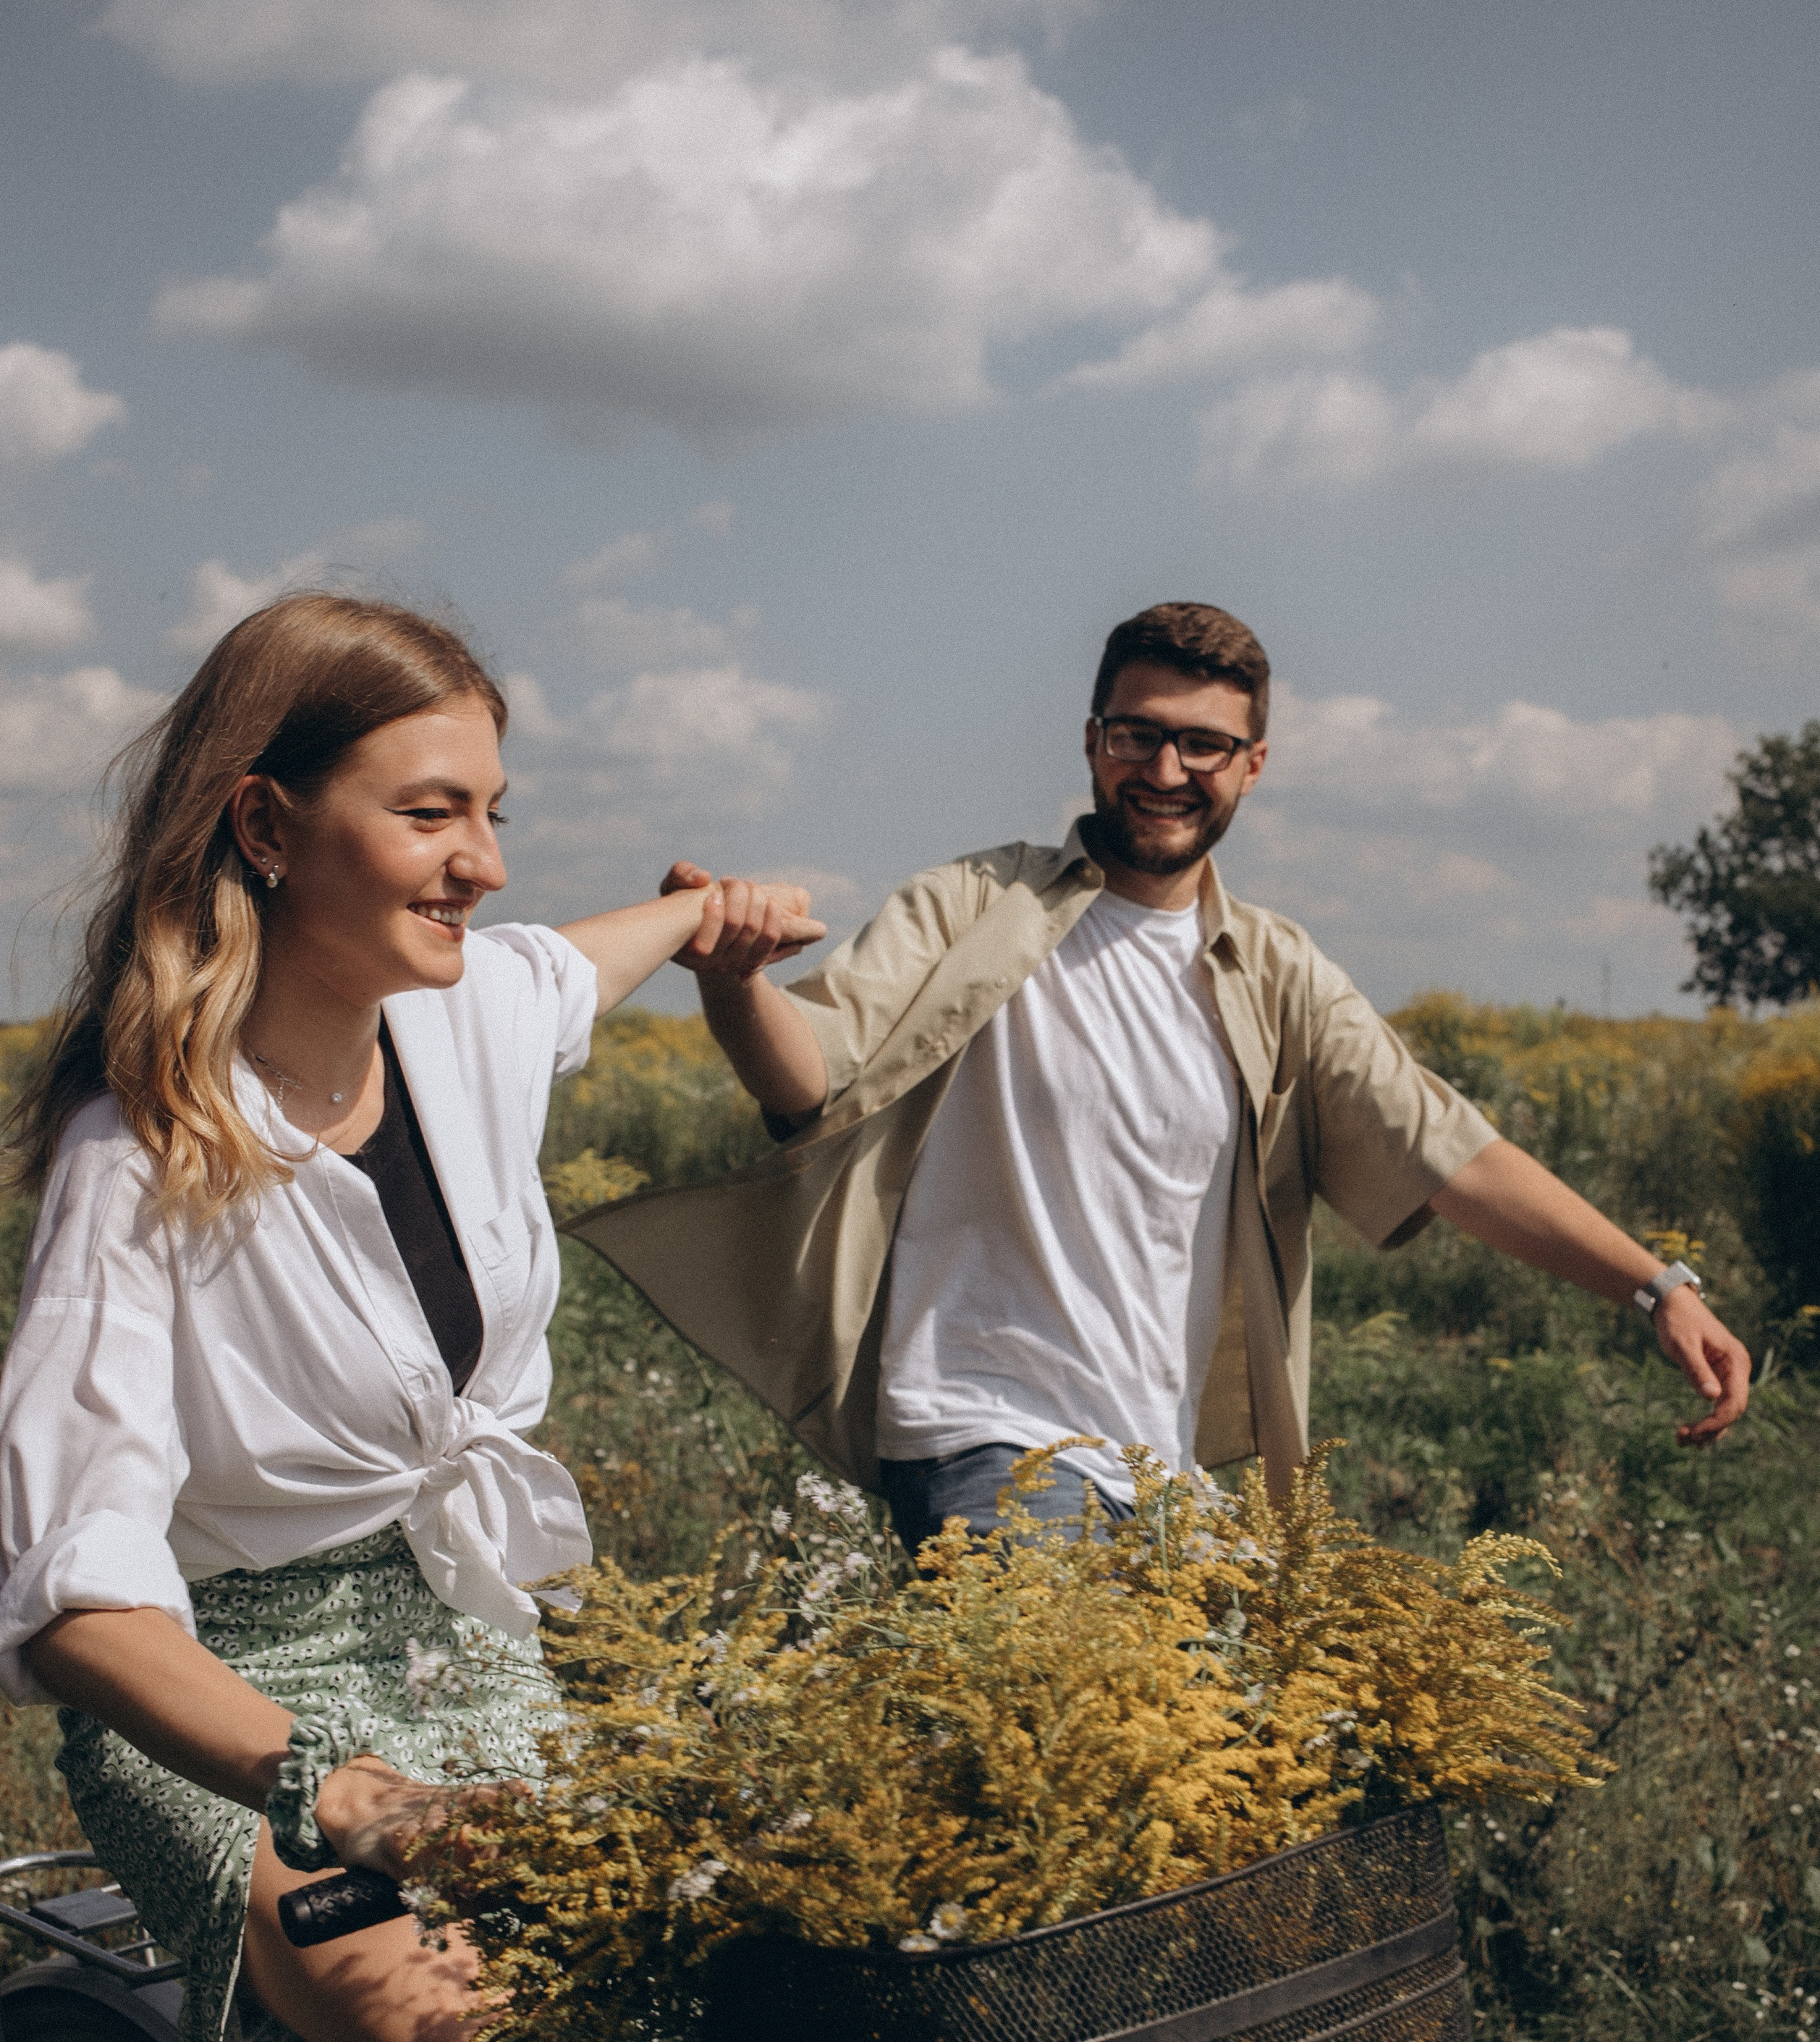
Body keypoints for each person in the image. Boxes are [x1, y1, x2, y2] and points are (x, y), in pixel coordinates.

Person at [0, 594, 821, 2042]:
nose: (488, 859)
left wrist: (707, 923)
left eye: (497, 806)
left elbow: (573, 960)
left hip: (475, 1648)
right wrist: (331, 1791)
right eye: (436, 811)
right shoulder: (146, 1157)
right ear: (268, 830)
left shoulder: (463, 1015)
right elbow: (75, 1607)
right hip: (240, 1713)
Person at [582, 599, 1751, 1551]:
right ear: (1093, 740)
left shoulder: (1275, 970)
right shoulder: (974, 906)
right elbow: (813, 1082)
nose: (1166, 768)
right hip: (989, 1447)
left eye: (1204, 745)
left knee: (1223, 1816)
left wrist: (1657, 1289)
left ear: (1253, 765)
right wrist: (733, 982)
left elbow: (1450, 1156)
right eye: (1138, 733)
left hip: (1163, 1472)